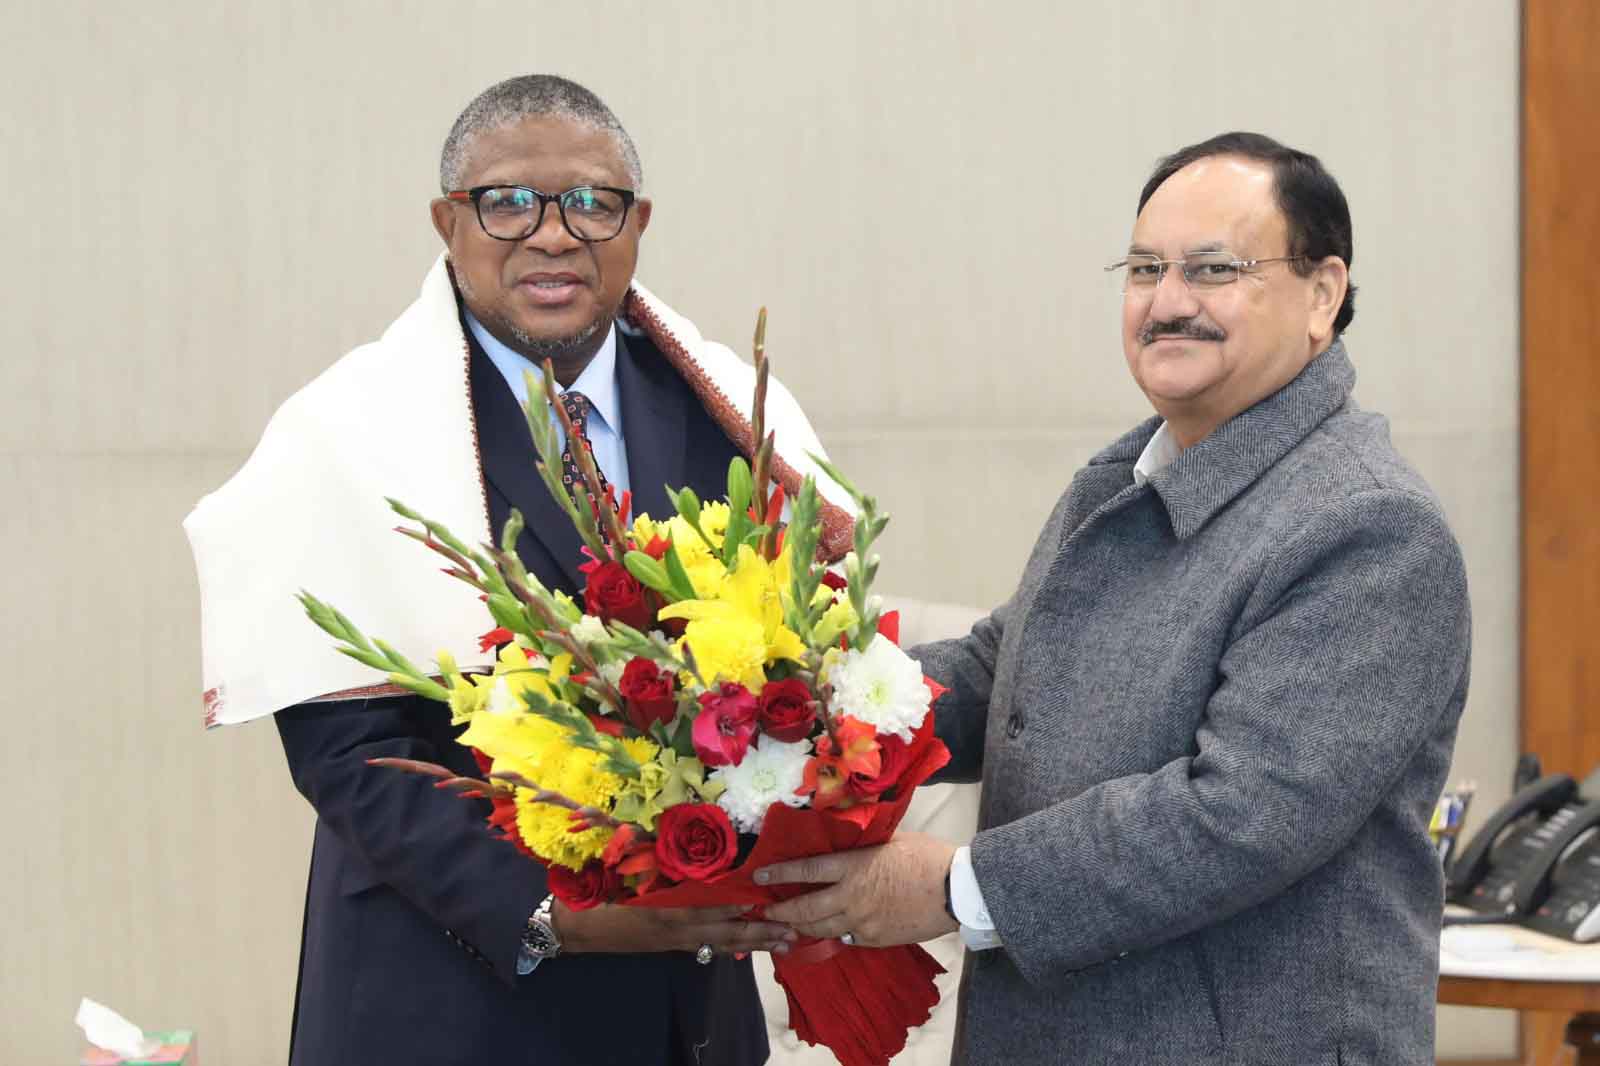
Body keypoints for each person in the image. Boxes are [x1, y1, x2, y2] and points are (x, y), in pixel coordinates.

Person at [759, 132, 1471, 1065]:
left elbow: (1238, 816)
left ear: (1323, 294)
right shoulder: (1126, 479)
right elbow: (1000, 678)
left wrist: (955, 888)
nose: (1168, 303)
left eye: (1214, 269)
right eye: (1144, 269)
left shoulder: (1369, 526)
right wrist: (771, 705)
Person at [184, 75, 854, 1066]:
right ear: (448, 222)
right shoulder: (351, 432)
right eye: (507, 202)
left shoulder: (730, 412)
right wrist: (547, 912)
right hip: (450, 994)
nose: (551, 235)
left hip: (686, 1007)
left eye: (591, 202)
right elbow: (347, 746)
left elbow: (805, 668)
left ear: (638, 224)